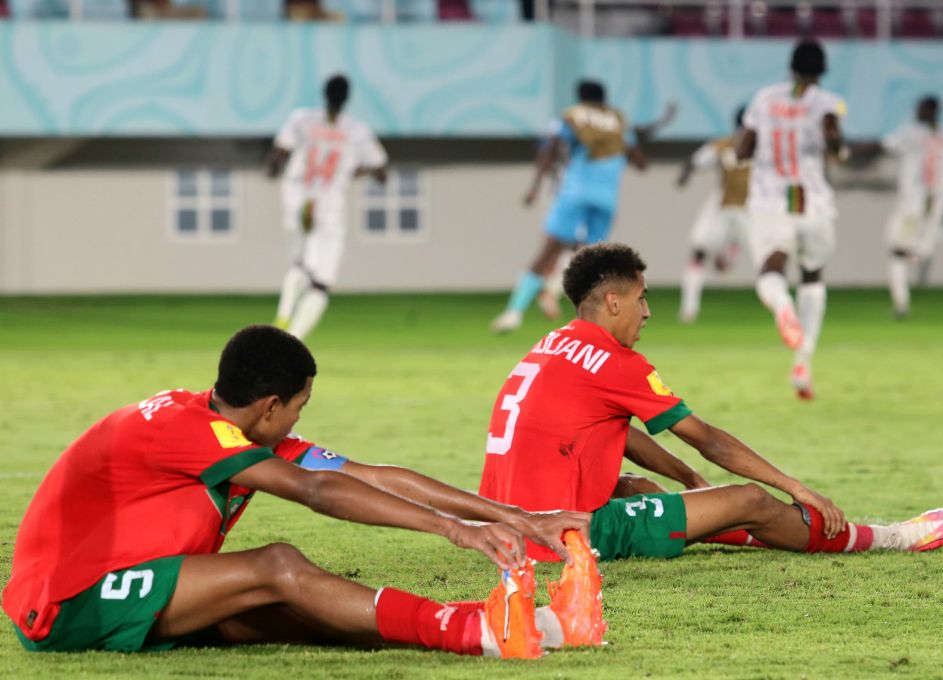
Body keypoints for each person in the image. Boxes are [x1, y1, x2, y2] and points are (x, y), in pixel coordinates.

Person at [3, 325, 595, 658]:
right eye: (298, 407)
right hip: (64, 603)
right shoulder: (189, 431)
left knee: (294, 611)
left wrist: (518, 517)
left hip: (131, 579)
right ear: (270, 406)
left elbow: (366, 475)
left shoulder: (224, 421)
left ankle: (489, 623)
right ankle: (474, 634)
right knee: (278, 566)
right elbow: (316, 491)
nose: (297, 420)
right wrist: (456, 532)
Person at [478, 243, 943, 565]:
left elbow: (613, 433)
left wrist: (688, 481)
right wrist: (798, 487)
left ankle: (725, 518)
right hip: (561, 536)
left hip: (511, 524)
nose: (647, 312)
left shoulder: (551, 345)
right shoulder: (615, 361)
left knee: (639, 487)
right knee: (748, 499)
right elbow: (706, 438)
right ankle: (890, 537)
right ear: (612, 301)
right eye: (642, 298)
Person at [491, 79, 648, 334]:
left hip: (575, 192)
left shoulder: (572, 116)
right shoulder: (620, 122)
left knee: (549, 250)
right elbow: (641, 163)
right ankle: (590, 323)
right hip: (606, 198)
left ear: (581, 97)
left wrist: (534, 187)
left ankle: (514, 312)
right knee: (593, 263)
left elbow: (550, 147)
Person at [737, 40, 845, 400]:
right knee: (813, 274)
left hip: (770, 200)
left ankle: (783, 306)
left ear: (791, 67)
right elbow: (832, 139)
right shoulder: (826, 102)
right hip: (812, 202)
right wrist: (836, 147)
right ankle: (803, 362)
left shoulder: (765, 98)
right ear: (821, 70)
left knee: (772, 268)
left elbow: (743, 148)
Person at [267, 75, 387, 341]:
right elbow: (382, 171)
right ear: (347, 98)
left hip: (297, 197)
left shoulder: (301, 120)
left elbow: (278, 154)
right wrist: (356, 170)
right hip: (329, 206)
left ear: (324, 93)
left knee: (302, 264)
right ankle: (292, 339)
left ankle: (284, 314)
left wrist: (273, 168)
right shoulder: (356, 131)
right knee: (320, 283)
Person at [868, 96, 943, 319]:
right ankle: (915, 258)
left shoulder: (912, 134)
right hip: (934, 204)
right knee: (907, 250)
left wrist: (846, 153)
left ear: (930, 110)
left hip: (913, 205)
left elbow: (880, 146)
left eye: (920, 108)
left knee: (898, 253)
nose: (916, 112)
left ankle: (901, 303)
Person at [676, 106, 752, 323]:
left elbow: (693, 162)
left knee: (768, 256)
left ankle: (731, 250)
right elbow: (697, 160)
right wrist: (686, 174)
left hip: (749, 209)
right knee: (699, 251)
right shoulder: (724, 145)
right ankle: (689, 309)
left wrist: (685, 175)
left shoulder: (764, 147)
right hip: (722, 206)